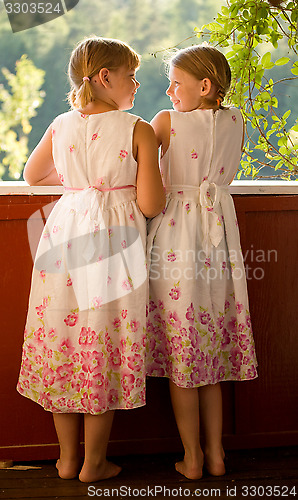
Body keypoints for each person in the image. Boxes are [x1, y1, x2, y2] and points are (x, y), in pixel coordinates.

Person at [17, 36, 165, 483]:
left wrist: (80, 182)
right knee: (102, 345)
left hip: (64, 236)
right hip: (112, 244)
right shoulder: (137, 127)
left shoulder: (62, 123)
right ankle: (94, 462)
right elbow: (152, 203)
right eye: (131, 75)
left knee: (63, 340)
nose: (137, 83)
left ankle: (65, 460)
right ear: (106, 78)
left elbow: (32, 175)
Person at [146, 44, 258, 480]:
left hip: (178, 235)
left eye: (176, 83)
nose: (170, 91)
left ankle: (191, 457)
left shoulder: (166, 122)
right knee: (208, 355)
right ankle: (216, 454)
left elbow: (138, 169)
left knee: (183, 353)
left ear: (205, 85)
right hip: (221, 239)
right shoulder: (236, 121)